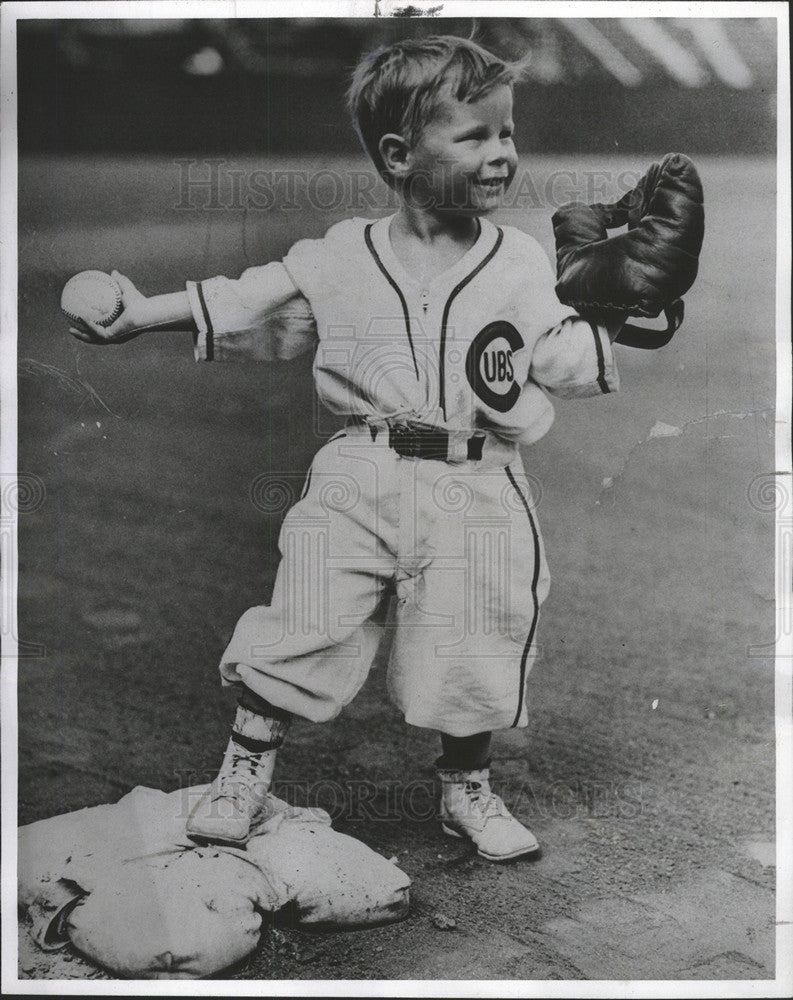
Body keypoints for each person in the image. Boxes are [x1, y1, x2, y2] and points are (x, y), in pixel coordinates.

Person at [68, 35, 624, 862]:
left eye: (506, 133)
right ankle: (244, 771)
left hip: (480, 477)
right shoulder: (338, 255)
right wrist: (138, 313)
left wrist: (616, 307)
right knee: (303, 620)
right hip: (359, 473)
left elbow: (565, 363)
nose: (501, 153)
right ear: (399, 155)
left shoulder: (521, 261)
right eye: (474, 135)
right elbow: (249, 298)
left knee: (476, 638)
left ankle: (464, 787)